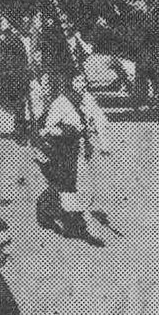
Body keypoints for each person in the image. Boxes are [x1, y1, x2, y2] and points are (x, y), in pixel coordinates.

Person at [35, 65, 107, 246]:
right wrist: (67, 131)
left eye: (83, 80)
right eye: (77, 81)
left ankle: (49, 208)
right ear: (70, 83)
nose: (81, 84)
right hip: (65, 151)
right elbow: (46, 129)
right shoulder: (61, 103)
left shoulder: (88, 99)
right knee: (74, 187)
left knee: (70, 186)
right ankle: (84, 228)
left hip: (83, 150)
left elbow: (99, 118)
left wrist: (104, 142)